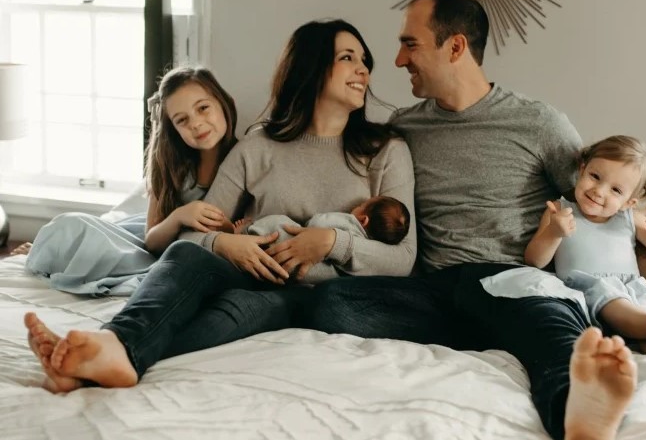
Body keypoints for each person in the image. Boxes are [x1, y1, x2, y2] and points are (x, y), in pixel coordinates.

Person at [308, 0, 646, 440]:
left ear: (455, 47)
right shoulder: (406, 128)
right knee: (331, 303)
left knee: (554, 330)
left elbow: (601, 213)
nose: (398, 60)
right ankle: (496, 334)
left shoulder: (539, 124)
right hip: (439, 288)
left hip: (513, 280)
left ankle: (579, 415)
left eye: (410, 44)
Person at [24, 19, 416, 392]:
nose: (363, 69)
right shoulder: (259, 147)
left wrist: (332, 242)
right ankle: (112, 345)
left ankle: (97, 364)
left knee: (240, 307)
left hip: (322, 295)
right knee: (184, 255)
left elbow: (404, 259)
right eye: (348, 57)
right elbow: (191, 235)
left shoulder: (386, 151)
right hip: (253, 272)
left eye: (364, 60)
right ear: (312, 67)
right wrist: (224, 243)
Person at [17, 66, 238, 296]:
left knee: (148, 267)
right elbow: (151, 240)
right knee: (70, 224)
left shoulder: (244, 161)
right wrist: (180, 216)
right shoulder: (171, 165)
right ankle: (47, 253)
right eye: (182, 120)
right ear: (174, 128)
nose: (196, 123)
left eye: (203, 108)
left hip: (181, 254)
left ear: (223, 103)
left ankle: (58, 255)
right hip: (152, 244)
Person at [522, 135, 646, 353]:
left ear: (628, 202)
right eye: (595, 176)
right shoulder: (560, 211)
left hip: (632, 289)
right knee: (613, 299)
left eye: (616, 190)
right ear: (582, 169)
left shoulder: (629, 217)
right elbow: (534, 260)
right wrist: (553, 233)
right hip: (587, 290)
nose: (599, 191)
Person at [238, 195, 410, 283]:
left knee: (279, 224)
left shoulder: (349, 223)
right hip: (311, 278)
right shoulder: (367, 254)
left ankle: (244, 231)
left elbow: (317, 225)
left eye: (361, 206)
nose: (356, 206)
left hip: (291, 249)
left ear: (363, 220)